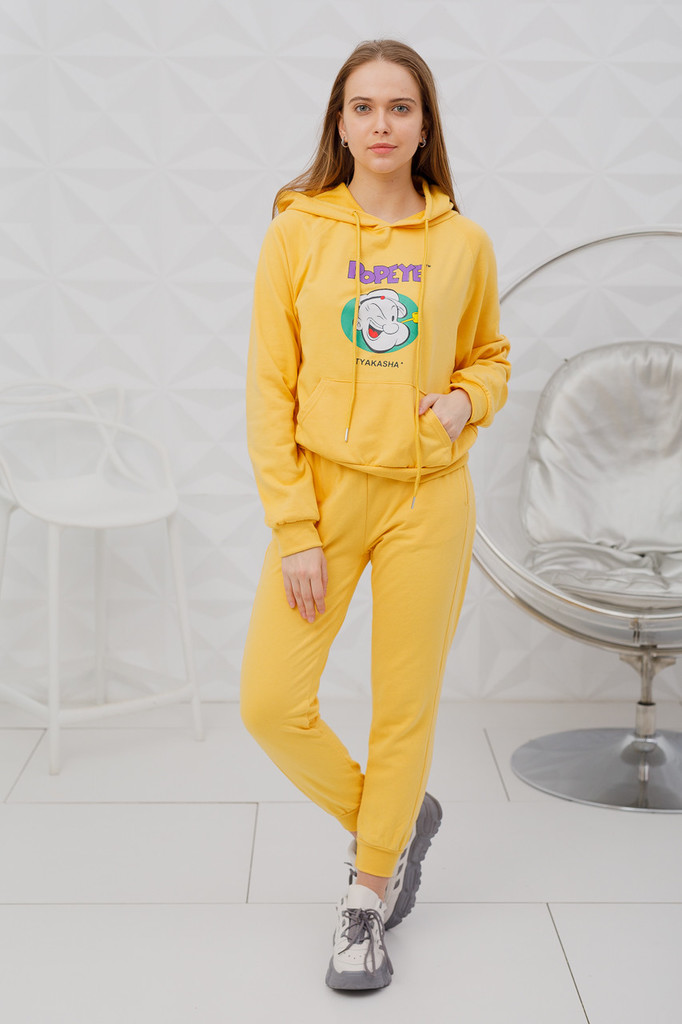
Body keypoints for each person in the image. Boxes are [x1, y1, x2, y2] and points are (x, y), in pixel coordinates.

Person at [241, 38, 510, 991]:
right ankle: (394, 823)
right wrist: (294, 529)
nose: (382, 124)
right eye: (364, 107)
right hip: (324, 495)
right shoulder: (296, 232)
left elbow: (491, 357)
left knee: (404, 706)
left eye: (401, 107)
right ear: (341, 123)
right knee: (270, 703)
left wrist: (466, 402)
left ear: (425, 124)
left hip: (429, 497)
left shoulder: (464, 242)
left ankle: (367, 893)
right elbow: (268, 391)